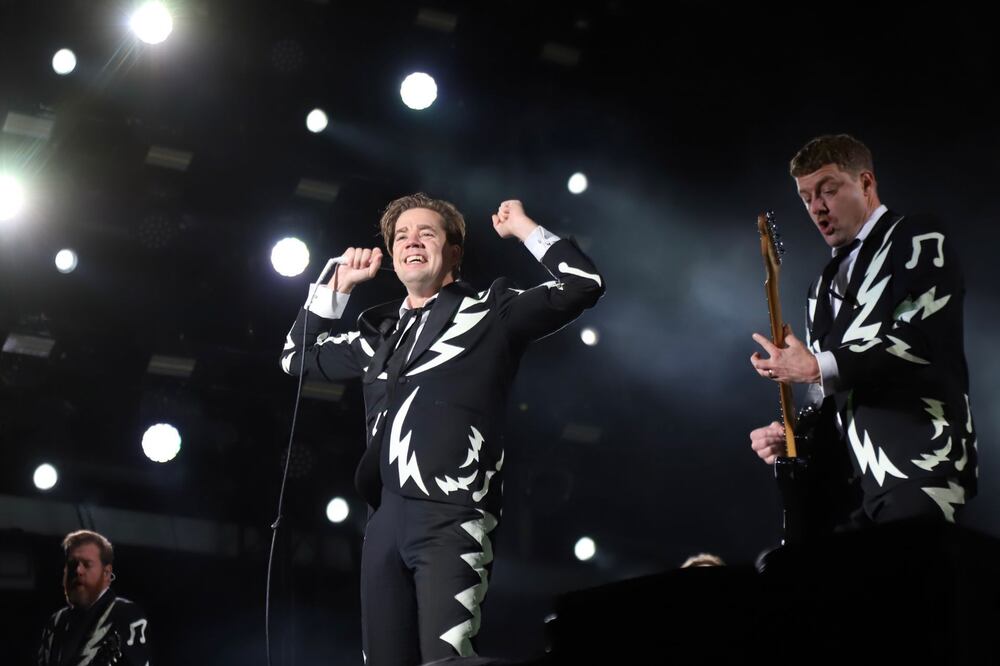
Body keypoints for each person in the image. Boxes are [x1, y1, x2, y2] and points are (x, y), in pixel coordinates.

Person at [281, 194, 604, 665]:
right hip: (384, 520)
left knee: (446, 661)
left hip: (452, 512)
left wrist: (525, 229)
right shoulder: (379, 335)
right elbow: (296, 357)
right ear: (392, 256)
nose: (411, 241)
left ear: (453, 252)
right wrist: (338, 288)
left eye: (426, 232)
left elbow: (584, 284)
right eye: (401, 236)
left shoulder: (489, 311)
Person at [749, 134, 977, 529]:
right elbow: (829, 398)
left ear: (867, 184)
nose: (817, 207)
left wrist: (816, 366)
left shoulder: (917, 236)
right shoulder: (820, 290)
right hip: (853, 491)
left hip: (921, 470)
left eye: (828, 191)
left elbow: (922, 339)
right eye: (806, 197)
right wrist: (791, 438)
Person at [38, 530, 151, 666]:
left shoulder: (125, 614)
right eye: (72, 564)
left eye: (87, 564)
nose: (78, 571)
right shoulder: (56, 621)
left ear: (107, 573)